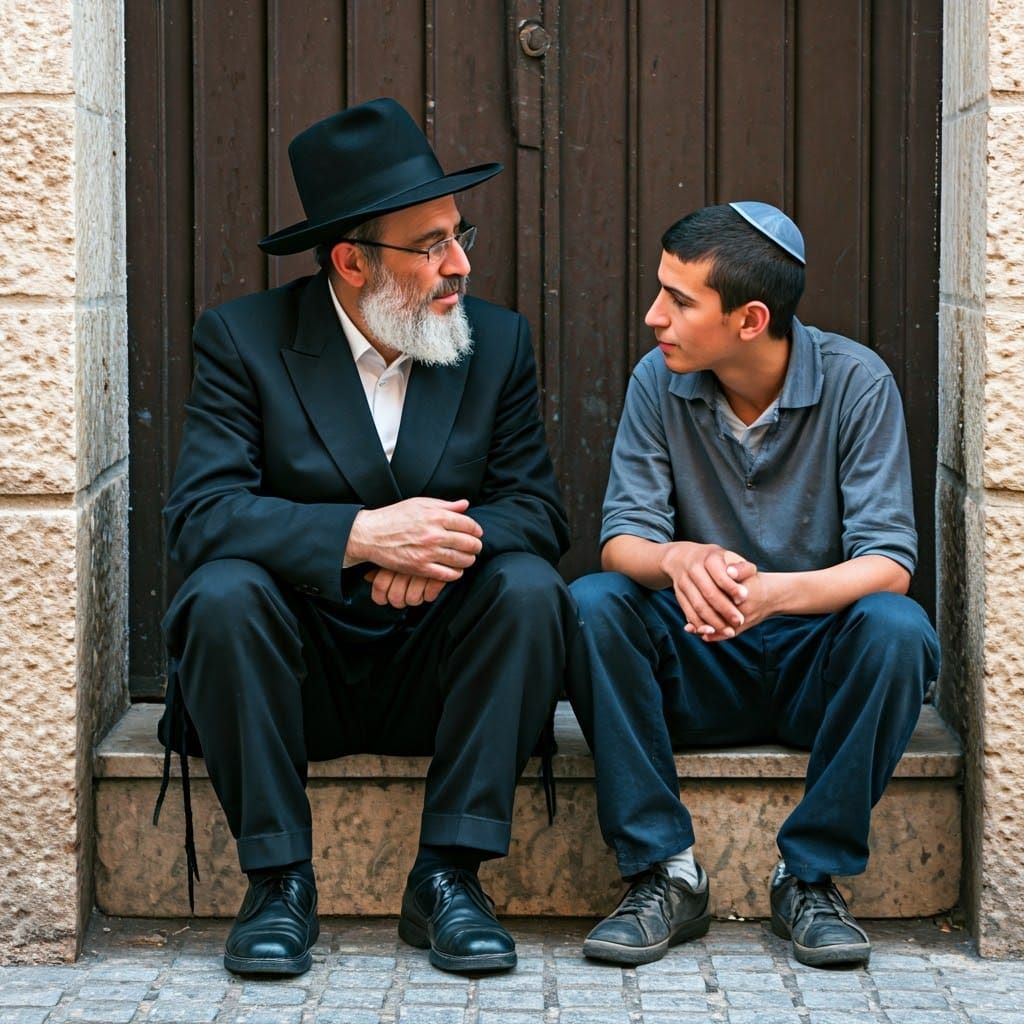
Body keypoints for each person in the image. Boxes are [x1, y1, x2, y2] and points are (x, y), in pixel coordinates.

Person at [156, 98, 573, 978]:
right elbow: (201, 516)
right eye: (431, 246)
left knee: (531, 587)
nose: (459, 263)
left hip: (438, 666)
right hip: (292, 674)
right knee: (221, 593)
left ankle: (449, 879)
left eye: (458, 235)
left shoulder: (496, 342)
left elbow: (535, 510)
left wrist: (437, 546)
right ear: (350, 261)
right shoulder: (244, 339)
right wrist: (365, 535)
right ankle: (277, 883)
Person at [566, 202, 939, 969]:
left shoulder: (857, 382)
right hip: (697, 666)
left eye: (679, 300)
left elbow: (889, 563)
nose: (653, 316)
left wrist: (768, 593)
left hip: (815, 675)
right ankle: (662, 873)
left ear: (750, 319)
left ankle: (811, 876)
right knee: (593, 607)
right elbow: (622, 540)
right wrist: (674, 560)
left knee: (898, 631)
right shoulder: (656, 382)